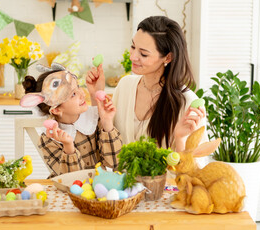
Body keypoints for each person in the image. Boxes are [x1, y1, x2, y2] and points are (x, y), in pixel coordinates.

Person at [86, 16, 207, 152]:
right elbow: (102, 141)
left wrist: (181, 139)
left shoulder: (188, 103)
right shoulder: (125, 85)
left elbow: (194, 169)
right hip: (117, 174)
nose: (132, 57)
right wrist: (95, 95)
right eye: (133, 47)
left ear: (168, 57)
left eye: (143, 54)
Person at [20, 63, 122, 178]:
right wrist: (68, 146)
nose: (82, 93)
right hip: (68, 194)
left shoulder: (95, 118)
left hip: (100, 189)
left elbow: (115, 163)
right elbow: (71, 180)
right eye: (73, 94)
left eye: (78, 87)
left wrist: (107, 122)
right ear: (56, 110)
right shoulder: (49, 140)